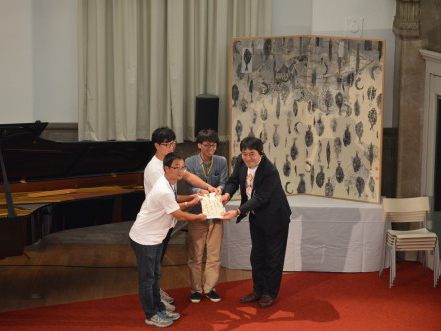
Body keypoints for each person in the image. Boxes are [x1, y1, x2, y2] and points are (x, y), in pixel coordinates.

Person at [143, 127, 222, 308]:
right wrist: (193, 200)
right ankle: (155, 301)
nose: (171, 147)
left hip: (166, 220)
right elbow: (170, 199)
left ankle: (156, 294)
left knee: (157, 262)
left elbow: (189, 177)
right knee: (153, 264)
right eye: (167, 144)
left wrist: (209, 188)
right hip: (155, 222)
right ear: (156, 146)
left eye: (173, 143)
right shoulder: (155, 169)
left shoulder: (171, 161)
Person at [130, 152, 207, 328]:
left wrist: (190, 201)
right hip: (145, 239)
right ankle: (151, 315)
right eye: (176, 168)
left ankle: (159, 309)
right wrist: (198, 217)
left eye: (183, 167)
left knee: (156, 276)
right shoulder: (164, 188)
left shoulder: (169, 183)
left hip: (155, 237)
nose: (181, 171)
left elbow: (173, 203)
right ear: (166, 168)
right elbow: (177, 214)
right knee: (147, 279)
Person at [221, 137, 291, 308]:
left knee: (273, 258)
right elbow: (233, 181)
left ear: (261, 153)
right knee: (257, 256)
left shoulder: (270, 171)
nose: (247, 158)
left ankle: (269, 293)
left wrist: (237, 211)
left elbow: (261, 197)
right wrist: (226, 195)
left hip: (275, 218)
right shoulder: (241, 162)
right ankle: (258, 290)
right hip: (256, 216)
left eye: (252, 154)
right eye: (244, 153)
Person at [185, 129, 228, 303]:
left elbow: (224, 182)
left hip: (216, 213)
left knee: (214, 254)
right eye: (207, 144)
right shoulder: (190, 161)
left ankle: (210, 288)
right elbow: (190, 187)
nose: (211, 147)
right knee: (196, 255)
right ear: (199, 145)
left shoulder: (221, 161)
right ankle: (195, 289)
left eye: (214, 144)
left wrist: (220, 190)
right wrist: (203, 190)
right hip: (197, 213)